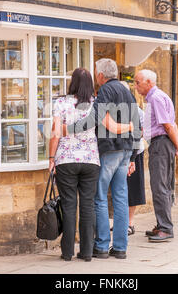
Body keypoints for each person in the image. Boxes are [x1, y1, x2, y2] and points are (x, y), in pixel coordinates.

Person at [49, 68, 132, 262]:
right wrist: (130, 126)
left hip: (66, 160)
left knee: (69, 205)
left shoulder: (61, 102)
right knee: (87, 206)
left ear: (72, 82)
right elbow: (111, 127)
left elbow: (55, 133)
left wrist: (51, 158)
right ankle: (86, 252)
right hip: (91, 161)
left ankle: (67, 252)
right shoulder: (96, 104)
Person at [65, 59, 141, 259]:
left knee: (99, 197)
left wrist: (70, 129)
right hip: (125, 151)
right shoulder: (127, 92)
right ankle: (120, 248)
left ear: (100, 75)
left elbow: (94, 119)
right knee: (120, 198)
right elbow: (137, 124)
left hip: (109, 150)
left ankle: (101, 245)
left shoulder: (106, 90)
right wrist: (133, 156)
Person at [134, 69, 178, 243]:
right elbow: (172, 125)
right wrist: (177, 146)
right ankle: (161, 225)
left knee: (160, 186)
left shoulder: (156, 98)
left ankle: (165, 228)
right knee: (161, 185)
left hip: (161, 144)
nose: (136, 86)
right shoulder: (157, 97)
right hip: (162, 143)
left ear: (149, 82)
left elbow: (167, 126)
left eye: (138, 82)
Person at [120, 81, 146, 236]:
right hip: (119, 153)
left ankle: (130, 223)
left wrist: (133, 157)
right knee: (120, 188)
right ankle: (121, 222)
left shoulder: (135, 109)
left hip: (134, 152)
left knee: (133, 187)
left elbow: (143, 130)